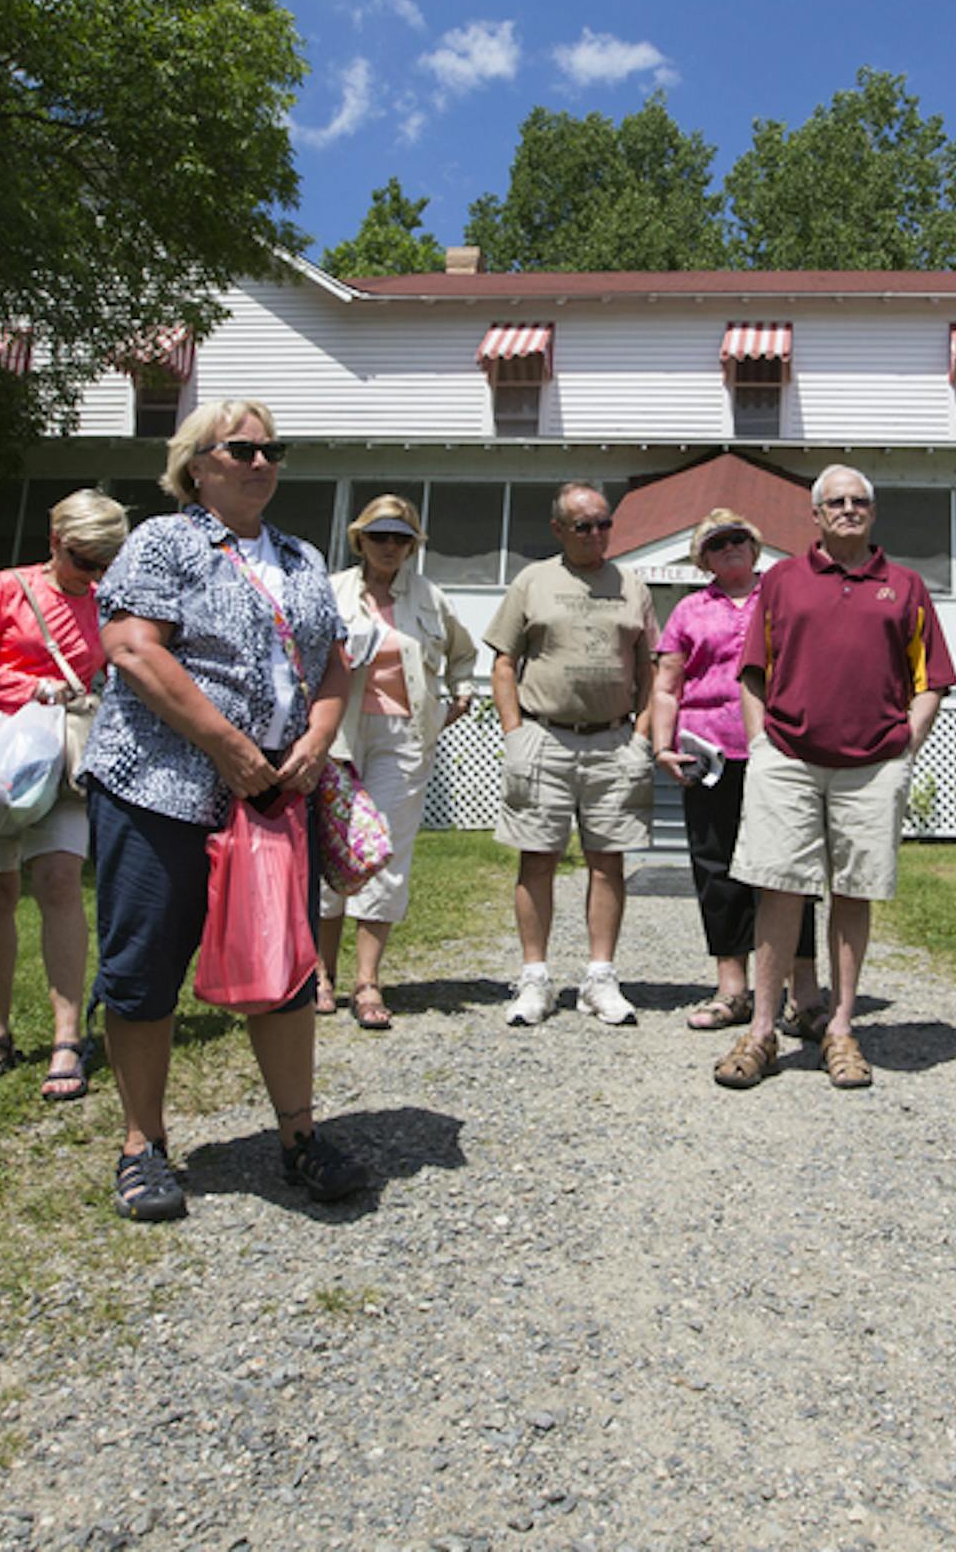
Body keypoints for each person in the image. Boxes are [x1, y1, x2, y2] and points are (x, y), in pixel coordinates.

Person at [82, 399, 367, 1219]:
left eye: (273, 448)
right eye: (241, 448)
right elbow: (134, 647)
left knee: (285, 966)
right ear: (196, 464)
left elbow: (334, 661)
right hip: (160, 787)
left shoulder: (301, 554)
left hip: (274, 798)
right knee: (145, 964)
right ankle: (143, 1146)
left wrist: (316, 736)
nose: (261, 461)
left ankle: (299, 1136)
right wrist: (228, 747)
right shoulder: (164, 542)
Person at [714, 466, 955, 1091]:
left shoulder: (904, 586)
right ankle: (762, 1030)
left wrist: (906, 741)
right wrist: (762, 743)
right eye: (836, 502)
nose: (848, 509)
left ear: (872, 513)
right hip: (788, 758)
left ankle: (841, 1029)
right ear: (815, 515)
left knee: (854, 892)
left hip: (872, 765)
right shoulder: (783, 581)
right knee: (779, 888)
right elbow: (752, 672)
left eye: (859, 502)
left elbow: (932, 679)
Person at [0, 489, 129, 1104]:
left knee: (61, 884)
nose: (91, 573)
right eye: (81, 558)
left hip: (64, 765)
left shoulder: (107, 603)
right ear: (53, 541)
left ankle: (69, 1036)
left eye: (103, 562)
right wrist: (27, 687)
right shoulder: (7, 589)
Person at [483, 481, 656, 1028]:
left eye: (604, 523)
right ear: (558, 529)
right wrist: (515, 735)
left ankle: (599, 978)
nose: (597, 534)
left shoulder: (632, 585)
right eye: (584, 525)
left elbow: (652, 671)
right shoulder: (533, 580)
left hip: (613, 741)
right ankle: (535, 978)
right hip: (544, 737)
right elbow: (504, 662)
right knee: (538, 858)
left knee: (609, 862)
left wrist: (643, 738)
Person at [649, 509, 824, 1033]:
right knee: (716, 867)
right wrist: (662, 746)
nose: (730, 548)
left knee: (789, 870)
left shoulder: (785, 594)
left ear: (755, 547)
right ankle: (732, 989)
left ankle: (805, 992)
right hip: (710, 754)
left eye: (738, 539)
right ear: (703, 557)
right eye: (717, 543)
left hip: (780, 748)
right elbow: (666, 683)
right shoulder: (687, 611)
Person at [313, 494, 477, 1029]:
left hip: (404, 735)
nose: (389, 547)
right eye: (379, 536)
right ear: (360, 539)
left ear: (413, 545)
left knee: (383, 850)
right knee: (332, 849)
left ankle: (367, 981)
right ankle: (320, 976)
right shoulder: (331, 590)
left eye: (400, 538)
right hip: (337, 732)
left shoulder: (430, 596)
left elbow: (462, 653)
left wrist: (459, 693)